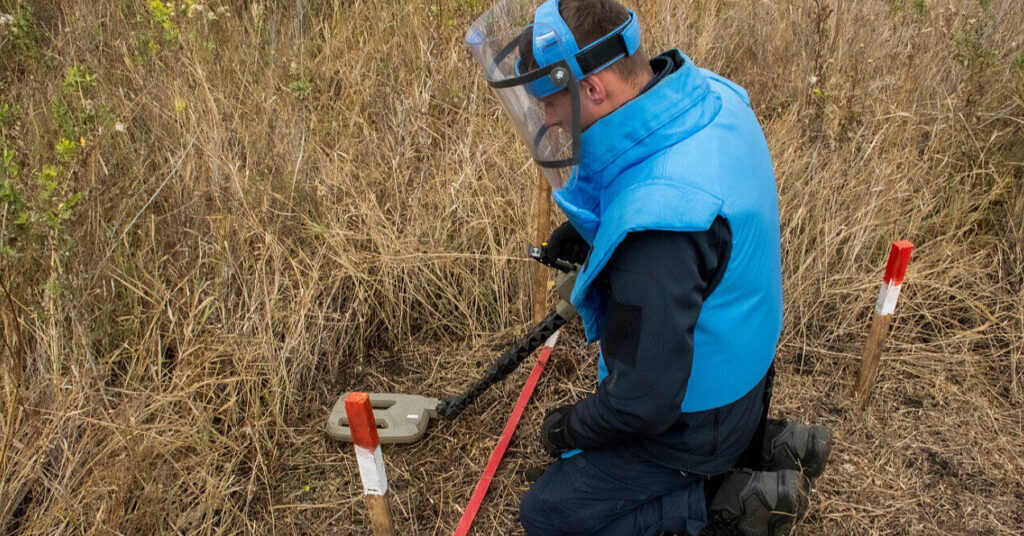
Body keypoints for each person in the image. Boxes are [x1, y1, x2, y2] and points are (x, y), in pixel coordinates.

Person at [465, 1, 831, 534]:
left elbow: (643, 405)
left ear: (593, 89)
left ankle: (718, 495)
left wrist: (568, 428)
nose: (545, 117)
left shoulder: (659, 229)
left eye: (548, 101)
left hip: (700, 418)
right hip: (747, 368)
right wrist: (602, 230)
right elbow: (667, 192)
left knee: (548, 514)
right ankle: (768, 441)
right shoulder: (711, 96)